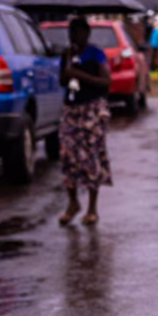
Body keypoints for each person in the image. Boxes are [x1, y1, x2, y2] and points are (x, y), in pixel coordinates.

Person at [58, 17, 112, 226]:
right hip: (72, 109)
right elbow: (63, 80)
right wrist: (67, 72)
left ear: (87, 34)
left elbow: (106, 82)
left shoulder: (95, 54)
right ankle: (72, 203)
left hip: (91, 109)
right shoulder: (69, 55)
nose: (75, 37)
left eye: (79, 33)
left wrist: (79, 75)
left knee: (91, 157)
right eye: (72, 33)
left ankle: (92, 207)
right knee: (68, 156)